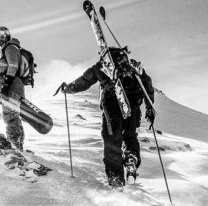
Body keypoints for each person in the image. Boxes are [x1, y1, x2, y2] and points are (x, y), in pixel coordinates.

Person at [58, 50, 155, 187]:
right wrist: (150, 106)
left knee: (112, 140)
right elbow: (147, 84)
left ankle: (116, 178)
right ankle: (131, 158)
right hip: (133, 105)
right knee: (130, 136)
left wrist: (68, 89)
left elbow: (84, 81)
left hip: (111, 104)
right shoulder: (132, 66)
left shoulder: (101, 66)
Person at [0, 25, 27, 151]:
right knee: (13, 116)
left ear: (7, 35)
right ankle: (18, 146)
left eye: (1, 35)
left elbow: (13, 66)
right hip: (12, 87)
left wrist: (6, 86)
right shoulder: (9, 48)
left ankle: (14, 146)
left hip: (12, 87)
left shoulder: (10, 47)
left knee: (10, 116)